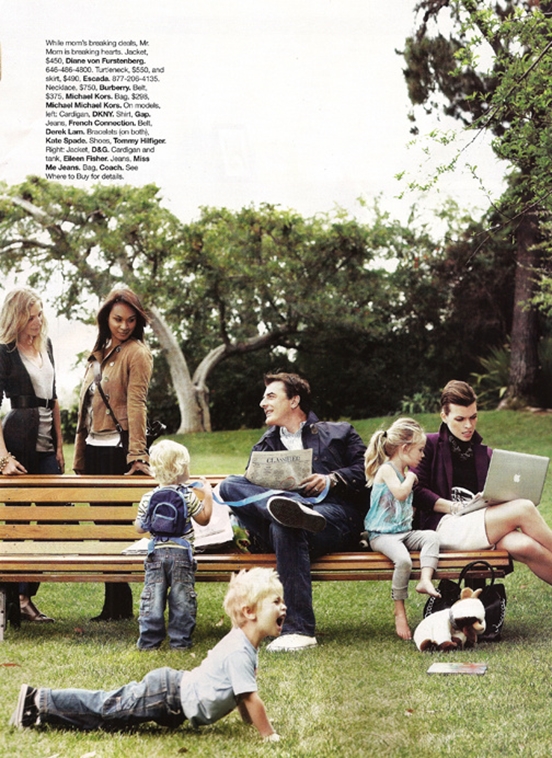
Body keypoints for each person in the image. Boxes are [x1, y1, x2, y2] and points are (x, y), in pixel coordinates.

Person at [10, 567, 285, 742]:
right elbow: (250, 698)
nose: (284, 607)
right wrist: (268, 734)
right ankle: (39, 700)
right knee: (108, 707)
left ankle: (41, 709)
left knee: (111, 718)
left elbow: (241, 695)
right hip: (166, 695)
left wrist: (248, 723)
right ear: (249, 612)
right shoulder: (239, 651)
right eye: (276, 601)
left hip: (171, 697)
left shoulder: (245, 647)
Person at [219, 371, 369, 652]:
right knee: (231, 486)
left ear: (294, 400)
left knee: (285, 525)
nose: (263, 403)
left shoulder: (340, 432)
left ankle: (299, 629)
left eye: (270, 396)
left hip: (332, 517)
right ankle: (286, 506)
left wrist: (331, 479)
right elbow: (247, 492)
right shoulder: (263, 446)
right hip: (280, 524)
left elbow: (368, 470)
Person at [413, 380, 552, 585]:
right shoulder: (429, 445)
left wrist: (492, 499)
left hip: (476, 524)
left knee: (525, 546)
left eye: (473, 417)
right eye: (460, 419)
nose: (468, 425)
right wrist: (453, 506)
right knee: (524, 508)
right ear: (444, 416)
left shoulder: (484, 453)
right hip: (440, 528)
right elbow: (416, 491)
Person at [74, 286, 153, 620]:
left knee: (115, 526)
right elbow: (85, 411)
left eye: (131, 320)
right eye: (118, 319)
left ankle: (120, 603)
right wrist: (79, 456)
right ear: (106, 317)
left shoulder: (137, 353)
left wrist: (138, 455)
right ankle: (115, 603)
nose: (124, 325)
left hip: (117, 451)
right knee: (101, 526)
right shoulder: (99, 352)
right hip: (94, 448)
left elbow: (137, 404)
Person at [0, 287, 65, 623]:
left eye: (40, 314)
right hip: (17, 440)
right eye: (30, 316)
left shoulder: (46, 345)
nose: (37, 322)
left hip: (46, 445)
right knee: (18, 522)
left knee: (53, 517)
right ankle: (14, 599)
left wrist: (60, 445)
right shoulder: (4, 351)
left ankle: (25, 594)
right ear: (17, 317)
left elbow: (53, 398)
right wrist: (3, 458)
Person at [363, 418, 440, 640]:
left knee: (432, 537)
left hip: (403, 532)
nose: (422, 455)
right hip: (381, 535)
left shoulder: (404, 472)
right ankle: (399, 610)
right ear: (404, 448)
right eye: (420, 450)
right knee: (403, 561)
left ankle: (425, 580)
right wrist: (412, 478)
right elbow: (400, 494)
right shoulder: (387, 469)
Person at [134, 440, 213, 651]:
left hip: (156, 555)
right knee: (182, 599)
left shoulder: (148, 497)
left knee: (153, 598)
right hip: (182, 555)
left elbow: (140, 528)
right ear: (180, 469)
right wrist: (208, 496)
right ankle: (180, 642)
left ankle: (149, 642)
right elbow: (204, 519)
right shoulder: (188, 495)